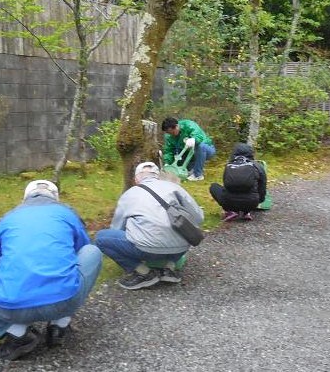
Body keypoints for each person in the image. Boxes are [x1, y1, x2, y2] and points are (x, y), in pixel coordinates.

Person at [0, 180, 102, 361]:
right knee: (93, 251)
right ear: (55, 197)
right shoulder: (67, 213)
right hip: (65, 301)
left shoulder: (7, 218)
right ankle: (60, 324)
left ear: (25, 198)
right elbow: (82, 247)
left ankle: (17, 332)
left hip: (11, 308)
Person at [95, 162, 204, 290]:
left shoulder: (129, 194)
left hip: (146, 249)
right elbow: (199, 217)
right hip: (180, 247)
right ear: (157, 176)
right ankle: (169, 268)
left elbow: (116, 227)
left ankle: (143, 272)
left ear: (136, 179)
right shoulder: (174, 187)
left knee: (101, 238)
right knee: (184, 232)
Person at [209, 143, 267, 222]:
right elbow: (262, 187)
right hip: (252, 203)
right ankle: (246, 212)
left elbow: (226, 185)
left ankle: (231, 211)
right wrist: (260, 200)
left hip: (229, 202)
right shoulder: (257, 166)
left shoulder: (229, 165)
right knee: (253, 192)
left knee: (213, 186)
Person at [161, 117, 216, 181]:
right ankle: (192, 169)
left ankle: (197, 175)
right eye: (168, 133)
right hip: (189, 155)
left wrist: (194, 140)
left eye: (172, 132)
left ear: (177, 126)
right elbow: (168, 150)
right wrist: (167, 162)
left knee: (200, 146)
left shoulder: (189, 125)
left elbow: (199, 136)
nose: (171, 135)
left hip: (206, 150)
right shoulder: (169, 136)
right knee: (185, 168)